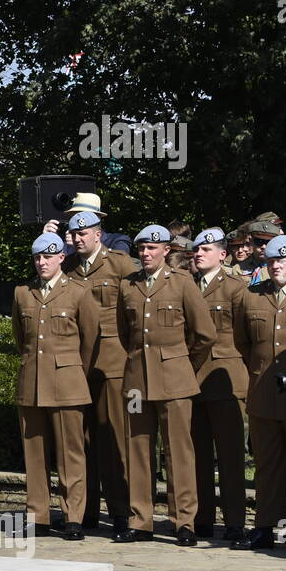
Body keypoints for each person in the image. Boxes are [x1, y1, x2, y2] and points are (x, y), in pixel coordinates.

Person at [114, 224, 215, 545]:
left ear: (166, 251)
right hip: (135, 383)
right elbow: (123, 333)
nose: (145, 253)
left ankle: (184, 522)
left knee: (179, 453)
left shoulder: (183, 283)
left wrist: (183, 365)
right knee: (138, 451)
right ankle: (140, 520)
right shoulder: (128, 286)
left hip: (175, 381)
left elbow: (205, 335)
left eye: (152, 248)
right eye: (141, 248)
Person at [232, 234, 286, 551]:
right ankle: (271, 529)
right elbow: (243, 344)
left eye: (282, 260)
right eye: (271, 261)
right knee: (268, 467)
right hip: (264, 395)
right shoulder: (251, 297)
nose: (276, 266)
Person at [12, 232, 100, 539]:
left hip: (67, 383)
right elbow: (21, 339)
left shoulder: (78, 291)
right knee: (34, 456)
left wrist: (74, 371)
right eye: (37, 258)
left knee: (70, 454)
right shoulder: (23, 292)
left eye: (48, 257)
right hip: (32, 383)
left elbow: (89, 341)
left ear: (62, 258)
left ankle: (73, 516)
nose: (42, 263)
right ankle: (38, 516)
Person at [61, 210, 138, 532]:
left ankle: (122, 512)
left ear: (98, 234)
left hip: (111, 360)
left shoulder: (120, 264)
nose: (78, 239)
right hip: (77, 361)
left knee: (114, 438)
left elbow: (136, 310)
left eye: (84, 234)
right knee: (82, 439)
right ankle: (85, 511)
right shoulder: (67, 267)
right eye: (74, 234)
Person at [188, 228, 249, 542]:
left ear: (223, 255)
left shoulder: (236, 288)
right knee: (197, 455)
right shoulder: (187, 285)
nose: (199, 254)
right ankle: (203, 519)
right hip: (193, 380)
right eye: (197, 249)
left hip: (226, 378)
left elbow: (245, 336)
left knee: (230, 456)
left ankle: (235, 522)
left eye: (207, 249)